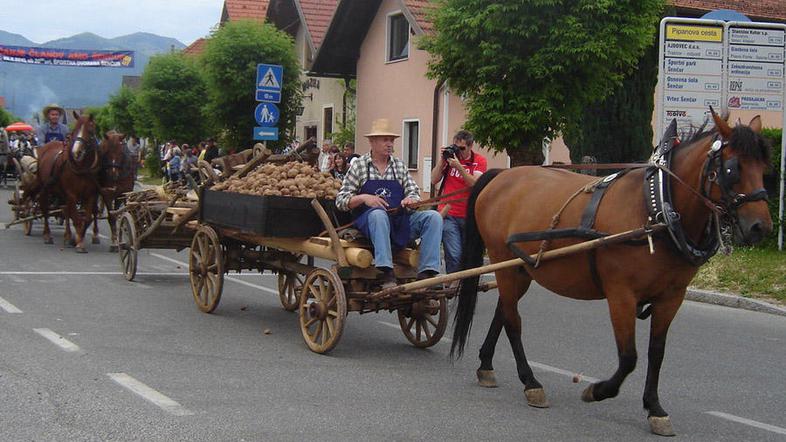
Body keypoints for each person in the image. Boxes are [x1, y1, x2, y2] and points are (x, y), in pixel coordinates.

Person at [336, 119, 443, 288]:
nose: (389, 144)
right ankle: (386, 271)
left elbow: (413, 192)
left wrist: (411, 200)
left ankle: (427, 272)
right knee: (378, 214)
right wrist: (364, 198)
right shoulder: (359, 167)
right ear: (372, 142)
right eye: (385, 139)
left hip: (399, 221)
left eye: (391, 140)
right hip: (370, 224)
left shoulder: (399, 166)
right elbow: (341, 201)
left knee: (434, 217)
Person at [430, 129, 487, 274]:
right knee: (454, 253)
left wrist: (460, 168)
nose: (459, 152)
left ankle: (459, 285)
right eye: (456, 147)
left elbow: (475, 183)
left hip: (469, 215)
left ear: (470, 146)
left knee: (468, 254)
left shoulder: (479, 161)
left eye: (462, 148)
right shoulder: (450, 160)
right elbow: (433, 180)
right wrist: (442, 161)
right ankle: (452, 284)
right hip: (448, 213)